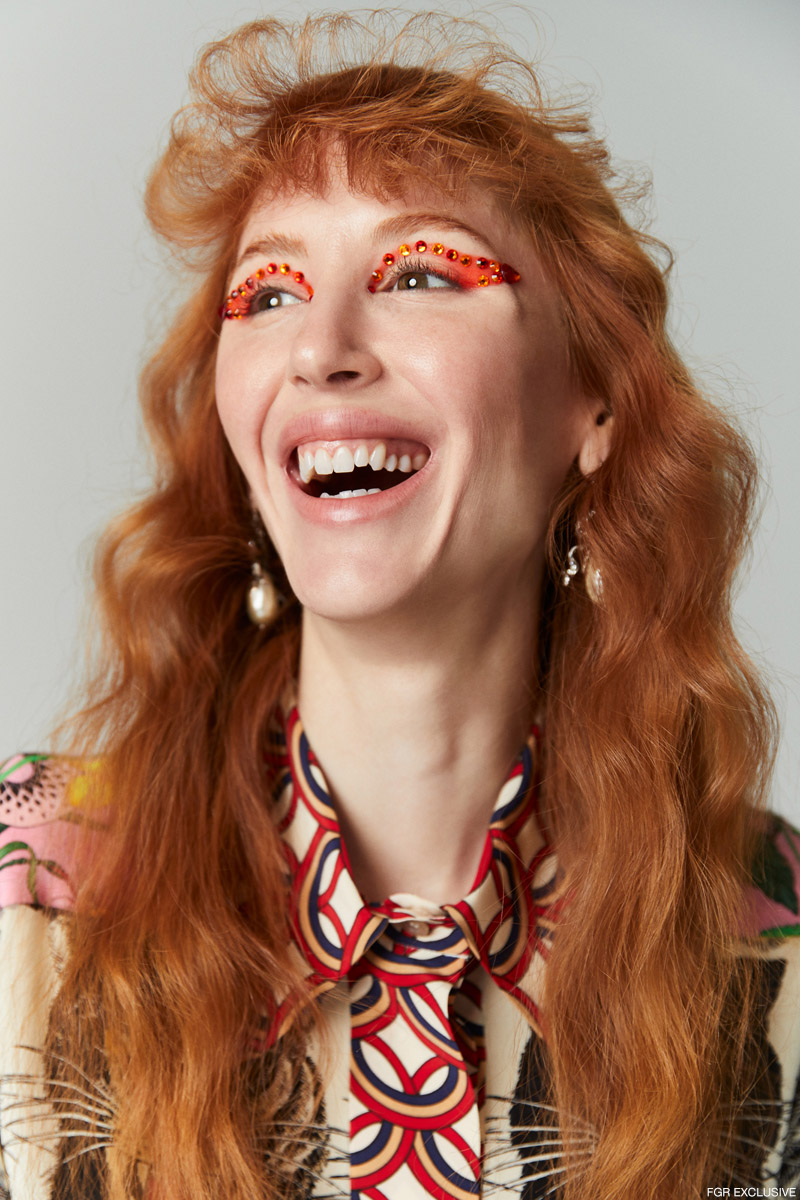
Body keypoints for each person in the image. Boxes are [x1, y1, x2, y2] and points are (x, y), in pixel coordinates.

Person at [1, 13, 798, 1200]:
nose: (320, 347)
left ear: (591, 403)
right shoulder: (28, 890)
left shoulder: (765, 935)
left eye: (420, 273)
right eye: (266, 292)